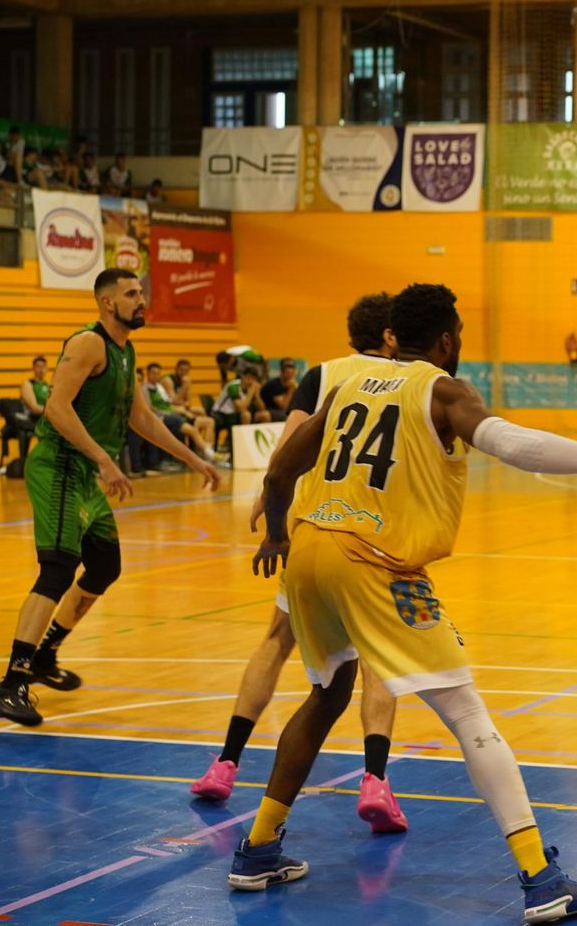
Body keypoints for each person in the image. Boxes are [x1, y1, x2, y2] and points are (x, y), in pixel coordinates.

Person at [231, 282, 577, 922]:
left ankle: (256, 849)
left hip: (309, 550)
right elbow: (514, 446)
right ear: (446, 339)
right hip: (373, 559)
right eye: (461, 333)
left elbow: (280, 470)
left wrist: (277, 531)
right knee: (466, 709)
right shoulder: (442, 391)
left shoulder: (347, 387)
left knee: (327, 692)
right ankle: (540, 876)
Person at [192, 294, 416, 837]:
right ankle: (375, 780)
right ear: (390, 335)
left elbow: (286, 453)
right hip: (372, 539)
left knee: (275, 640)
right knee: (377, 657)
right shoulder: (413, 380)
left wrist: (271, 510)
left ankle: (225, 764)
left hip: (310, 530)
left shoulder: (322, 375)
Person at [0, 269, 223, 726]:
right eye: (132, 294)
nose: (141, 300)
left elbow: (144, 420)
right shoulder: (87, 343)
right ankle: (11, 683)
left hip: (84, 471)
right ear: (107, 303)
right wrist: (105, 461)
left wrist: (196, 459)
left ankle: (46, 655)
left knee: (105, 566)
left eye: (141, 293)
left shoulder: (126, 352)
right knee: (56, 569)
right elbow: (56, 407)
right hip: (58, 465)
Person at [261, 357, 299, 422]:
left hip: (280, 412)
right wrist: (291, 389)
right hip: (269, 410)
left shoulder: (295, 385)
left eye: (291, 369)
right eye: (286, 370)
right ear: (281, 371)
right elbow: (283, 406)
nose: (289, 372)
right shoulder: (274, 384)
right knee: (289, 416)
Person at [21, 355, 51, 421]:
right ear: (33, 368)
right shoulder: (28, 384)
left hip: (46, 418)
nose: (41, 369)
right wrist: (52, 412)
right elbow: (34, 408)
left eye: (43, 367)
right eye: (38, 367)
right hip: (33, 420)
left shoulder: (48, 385)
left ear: (46, 368)